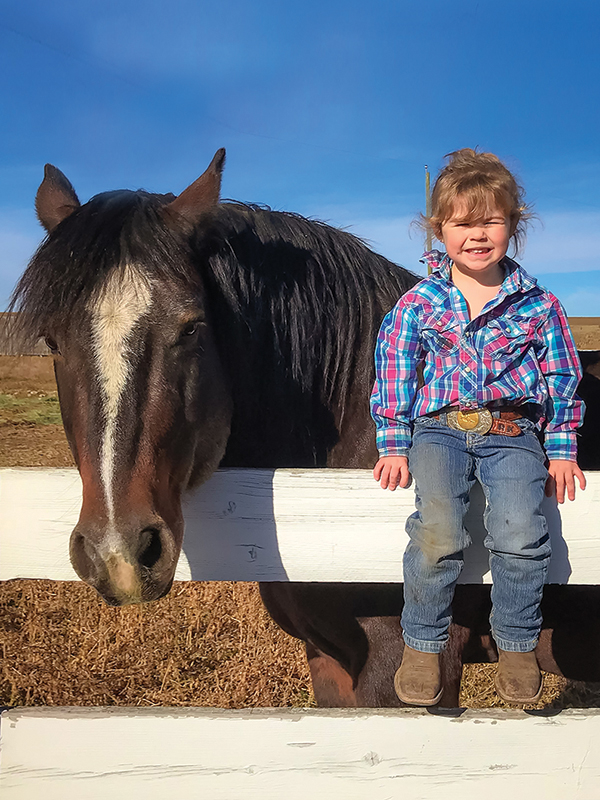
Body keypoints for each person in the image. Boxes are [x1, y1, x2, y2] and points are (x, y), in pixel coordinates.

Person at [370, 148, 586, 706]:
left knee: (521, 533)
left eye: (490, 220)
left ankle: (516, 643)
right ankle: (422, 644)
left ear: (513, 224)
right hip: (437, 431)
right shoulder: (418, 303)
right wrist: (393, 443)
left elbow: (563, 378)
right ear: (438, 230)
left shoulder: (539, 305)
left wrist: (562, 449)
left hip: (513, 432)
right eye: (462, 223)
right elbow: (395, 371)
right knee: (438, 533)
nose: (477, 235)